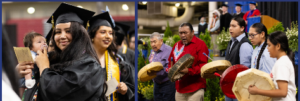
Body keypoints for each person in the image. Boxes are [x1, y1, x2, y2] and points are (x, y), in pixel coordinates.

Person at [17, 3, 108, 101]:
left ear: (80, 34)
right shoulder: (53, 59)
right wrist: (19, 72)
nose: (62, 36)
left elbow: (56, 94)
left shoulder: (89, 66)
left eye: (68, 31)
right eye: (58, 32)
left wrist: (44, 67)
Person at [88, 11, 135, 101]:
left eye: (110, 33)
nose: (108, 36)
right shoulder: (81, 60)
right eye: (103, 32)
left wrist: (125, 90)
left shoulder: (119, 62)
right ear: (92, 36)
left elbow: (132, 88)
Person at [248, 31, 296, 101]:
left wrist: (258, 91)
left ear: (278, 46)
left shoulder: (282, 63)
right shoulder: (280, 61)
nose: (267, 48)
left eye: (269, 45)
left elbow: (283, 92)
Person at [166, 23, 209, 101]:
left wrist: (189, 71)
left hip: (196, 88)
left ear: (192, 32)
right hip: (180, 89)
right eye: (180, 33)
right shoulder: (176, 45)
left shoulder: (200, 44)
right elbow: (170, 61)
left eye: (185, 32)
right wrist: (169, 69)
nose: (182, 35)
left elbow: (203, 66)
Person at [225, 17, 253, 101]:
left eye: (234, 26)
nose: (230, 28)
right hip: (230, 86)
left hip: (240, 88)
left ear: (242, 28)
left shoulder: (244, 45)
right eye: (230, 26)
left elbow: (244, 70)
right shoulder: (232, 41)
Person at [147, 32, 175, 101]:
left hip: (167, 84)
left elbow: (169, 68)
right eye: (151, 42)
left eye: (154, 42)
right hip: (156, 84)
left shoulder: (169, 50)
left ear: (161, 41)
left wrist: (155, 73)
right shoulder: (153, 52)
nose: (153, 44)